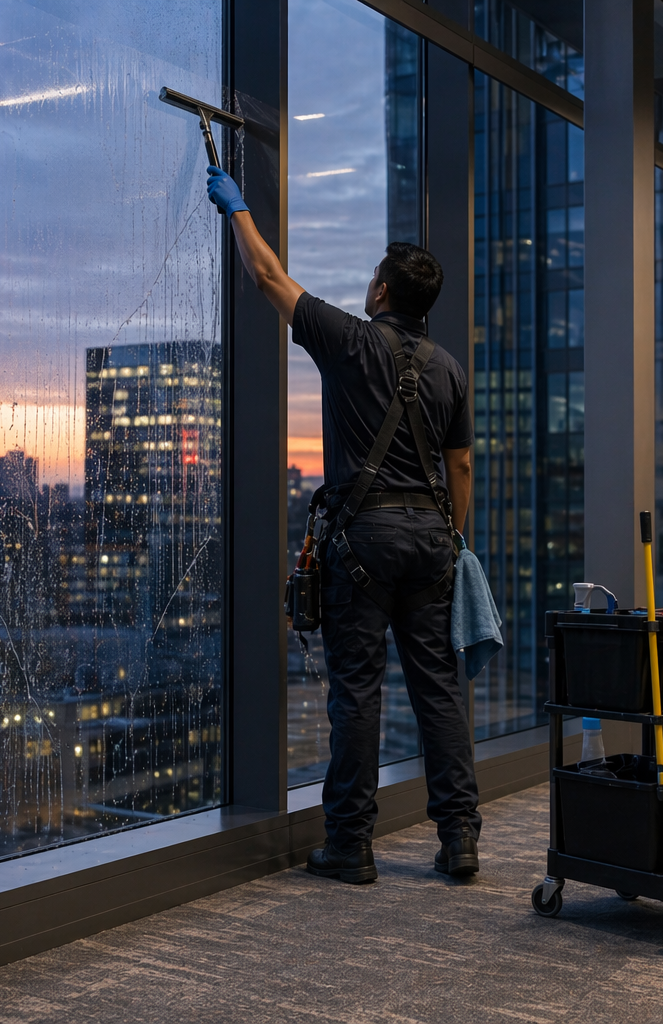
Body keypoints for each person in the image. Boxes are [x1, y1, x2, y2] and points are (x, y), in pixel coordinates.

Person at [206, 164, 481, 884]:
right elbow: (462, 470)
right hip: (431, 541)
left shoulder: (351, 341)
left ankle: (351, 845)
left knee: (357, 691)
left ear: (382, 291)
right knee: (439, 690)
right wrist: (454, 540)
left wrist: (235, 209)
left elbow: (268, 277)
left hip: (363, 540)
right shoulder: (450, 370)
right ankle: (460, 841)